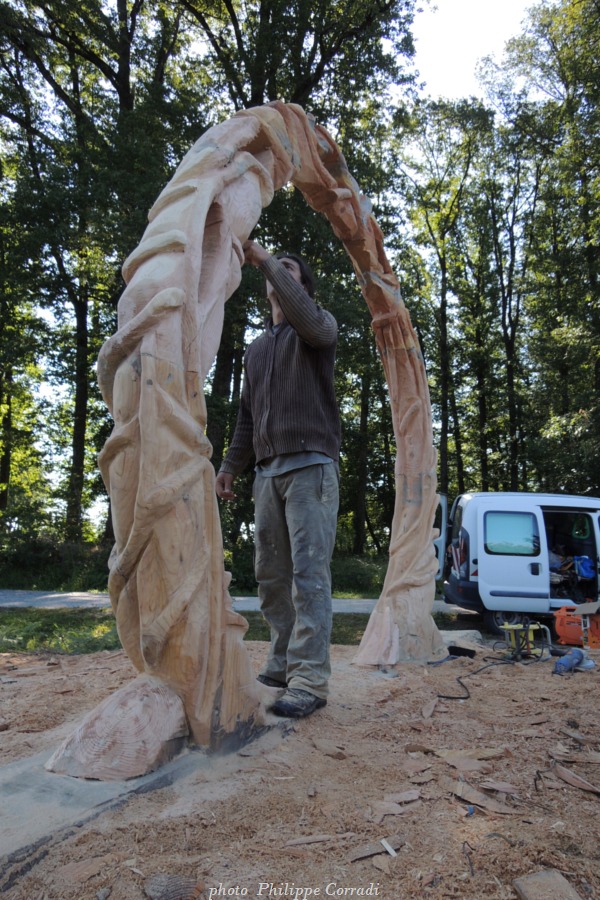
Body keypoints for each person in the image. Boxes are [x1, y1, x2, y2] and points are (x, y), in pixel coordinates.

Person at [215, 239, 341, 718]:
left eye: (289, 269)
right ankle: (284, 661)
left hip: (311, 467)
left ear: (302, 287)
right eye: (275, 268)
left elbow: (309, 320)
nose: (277, 271)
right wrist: (230, 467)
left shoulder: (318, 326)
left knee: (309, 576)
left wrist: (266, 259)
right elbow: (247, 418)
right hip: (267, 473)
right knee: (271, 577)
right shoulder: (256, 349)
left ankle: (309, 680)